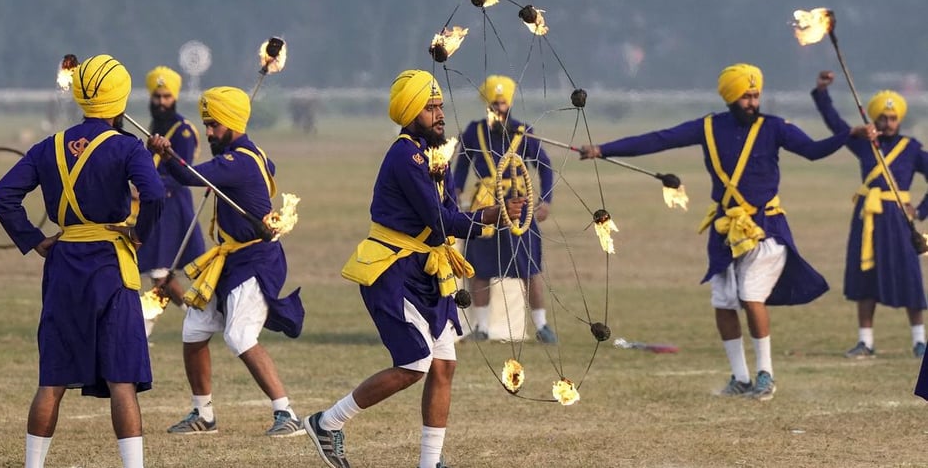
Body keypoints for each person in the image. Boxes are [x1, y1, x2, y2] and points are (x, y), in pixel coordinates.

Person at [578, 64, 875, 401]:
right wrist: (603, 149)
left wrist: (847, 135)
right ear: (731, 97)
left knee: (750, 295)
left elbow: (813, 151)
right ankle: (740, 377)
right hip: (724, 229)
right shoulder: (708, 126)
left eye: (755, 95)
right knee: (723, 301)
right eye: (746, 96)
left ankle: (766, 376)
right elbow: (660, 139)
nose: (752, 101)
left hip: (766, 228)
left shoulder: (774, 127)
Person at [304, 70, 523, 468]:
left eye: (440, 106)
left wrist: (493, 214)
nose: (439, 114)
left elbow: (453, 213)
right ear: (409, 113)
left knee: (444, 364)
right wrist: (491, 217)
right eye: (429, 107)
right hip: (393, 272)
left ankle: (430, 462)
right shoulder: (405, 156)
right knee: (415, 363)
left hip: (426, 272)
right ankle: (328, 422)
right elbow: (442, 223)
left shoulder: (436, 154)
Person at [0, 54, 164, 468]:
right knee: (122, 378)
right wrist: (140, 233)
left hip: (64, 264)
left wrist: (33, 239)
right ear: (120, 99)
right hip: (111, 266)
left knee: (52, 379)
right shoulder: (127, 147)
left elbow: (1, 195)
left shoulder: (46, 146)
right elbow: (154, 195)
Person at [146, 86, 305, 437]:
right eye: (206, 124)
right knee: (193, 330)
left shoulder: (240, 162)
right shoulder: (248, 155)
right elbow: (264, 166)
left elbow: (187, 176)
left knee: (239, 336)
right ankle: (203, 414)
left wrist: (167, 154)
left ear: (233, 123)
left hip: (255, 260)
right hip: (228, 259)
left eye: (215, 125)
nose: (209, 132)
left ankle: (287, 414)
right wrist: (220, 177)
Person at [811, 71, 928, 359]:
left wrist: (921, 210)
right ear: (874, 118)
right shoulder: (864, 142)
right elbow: (836, 124)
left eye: (892, 118)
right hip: (868, 220)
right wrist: (822, 93)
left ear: (899, 119)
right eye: (883, 118)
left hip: (900, 221)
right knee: (865, 278)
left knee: (910, 276)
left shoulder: (911, 149)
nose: (887, 123)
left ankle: (919, 341)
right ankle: (866, 341)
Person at [453, 75, 557, 343]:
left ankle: (542, 325)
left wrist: (545, 200)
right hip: (485, 205)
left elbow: (543, 165)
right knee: (480, 267)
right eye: (494, 104)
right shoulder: (473, 132)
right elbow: (461, 166)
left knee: (529, 267)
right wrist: (454, 193)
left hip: (519, 207)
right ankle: (483, 327)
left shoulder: (523, 131)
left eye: (502, 103)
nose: (498, 108)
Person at [137, 66, 206, 337]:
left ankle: (191, 316)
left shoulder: (184, 131)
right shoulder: (154, 127)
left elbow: (182, 172)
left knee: (160, 272)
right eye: (157, 96)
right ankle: (184, 317)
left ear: (174, 97)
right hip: (153, 205)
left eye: (166, 96)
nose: (162, 102)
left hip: (172, 207)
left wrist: (146, 187)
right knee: (159, 273)